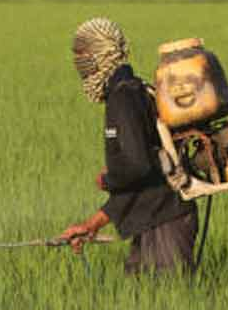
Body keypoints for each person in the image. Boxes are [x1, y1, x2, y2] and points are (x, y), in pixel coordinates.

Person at [57, 18, 199, 275]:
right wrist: (92, 224)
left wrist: (110, 178)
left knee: (168, 295)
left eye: (84, 58)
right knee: (140, 292)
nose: (80, 65)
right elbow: (140, 176)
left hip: (165, 218)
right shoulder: (132, 89)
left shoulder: (123, 97)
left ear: (101, 55)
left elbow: (137, 167)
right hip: (154, 216)